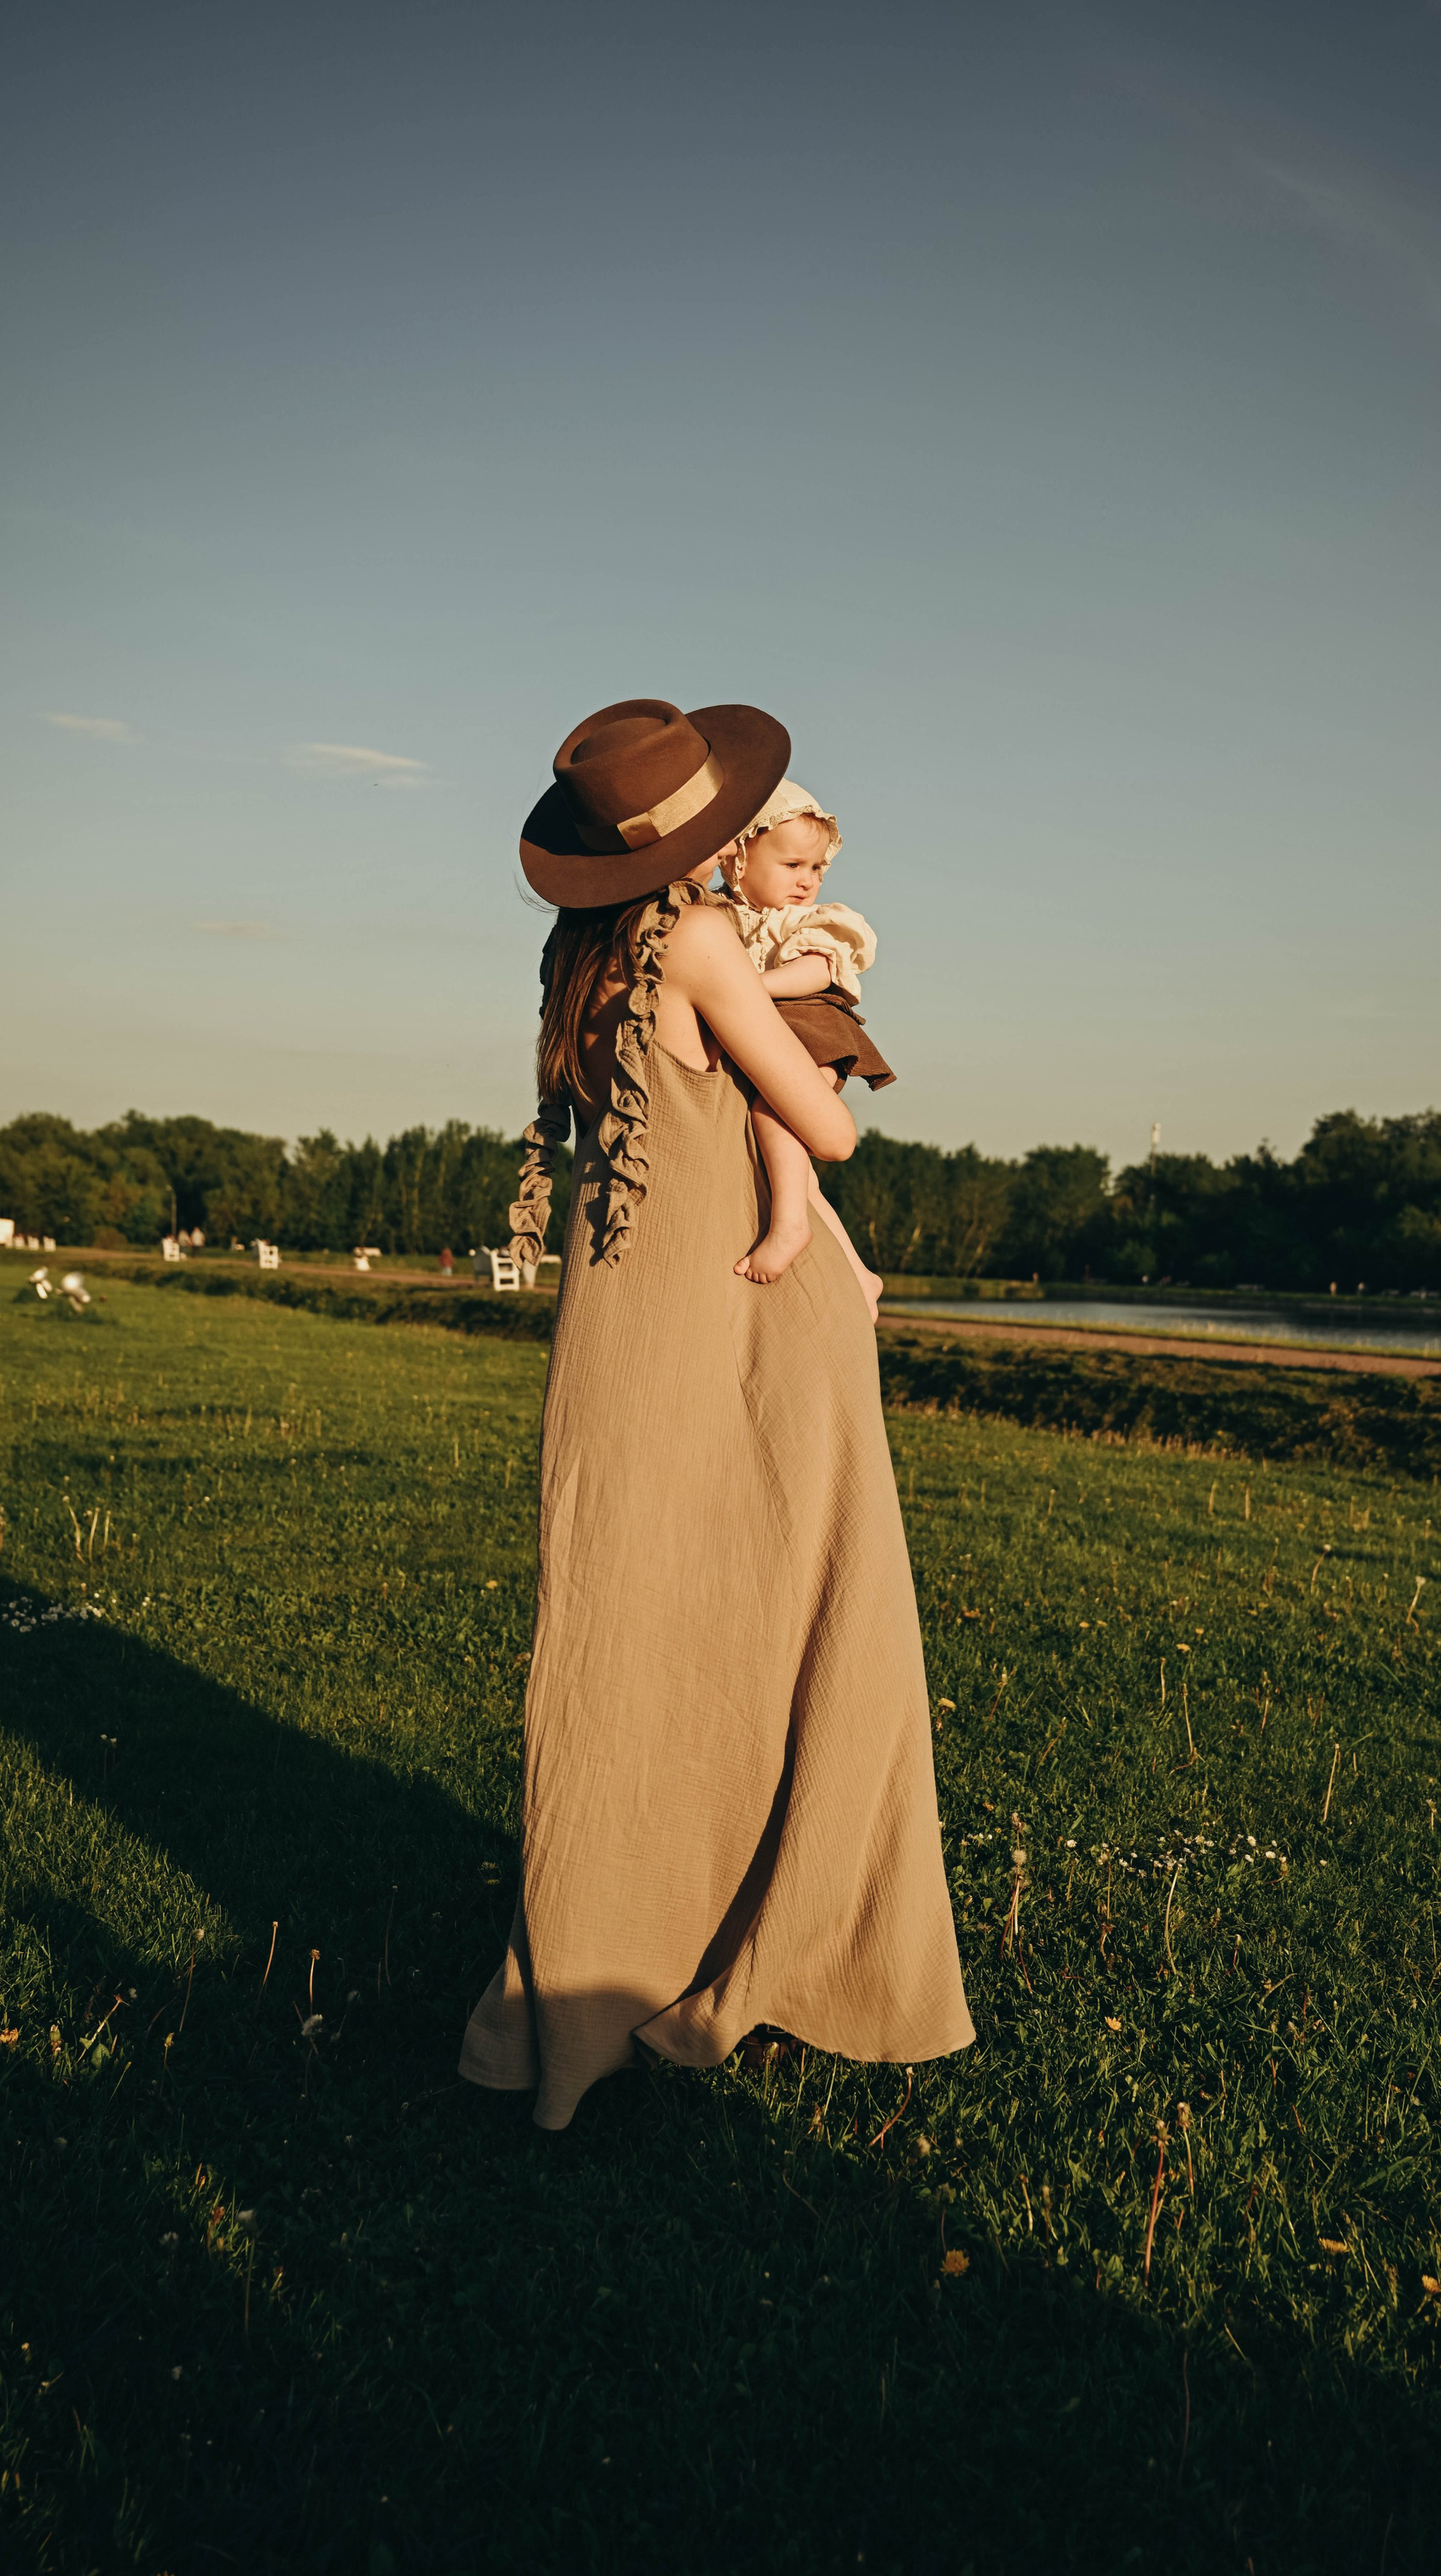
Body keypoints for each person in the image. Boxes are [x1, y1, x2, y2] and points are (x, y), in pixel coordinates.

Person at [460, 698, 973, 2131]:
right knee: (812, 1616)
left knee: (624, 1638)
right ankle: (796, 1950)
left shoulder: (579, 956)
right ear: (704, 829)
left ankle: (582, 1997)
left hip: (623, 1332)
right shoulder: (696, 943)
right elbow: (826, 1130)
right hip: (754, 1316)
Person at [716, 779, 890, 1321]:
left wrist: (748, 989)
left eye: (816, 868)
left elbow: (821, 968)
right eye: (793, 865)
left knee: (777, 1109)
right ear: (737, 860)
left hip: (813, 1029)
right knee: (791, 1163)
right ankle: (859, 1273)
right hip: (775, 1030)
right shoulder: (721, 915)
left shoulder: (805, 921)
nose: (808, 881)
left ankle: (790, 1226)